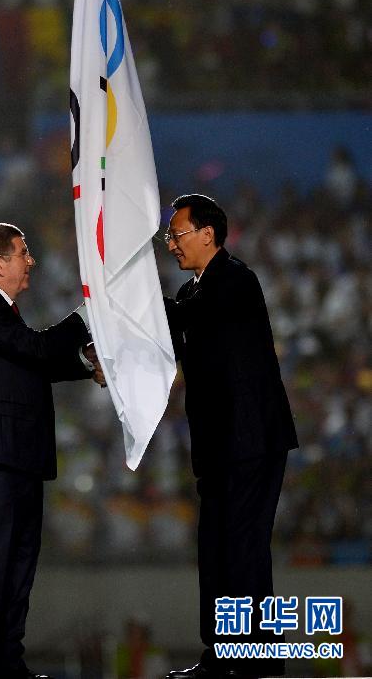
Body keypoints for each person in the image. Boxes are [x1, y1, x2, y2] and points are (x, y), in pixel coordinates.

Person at [0, 221, 103, 679]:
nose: (31, 260)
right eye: (23, 252)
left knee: (19, 564)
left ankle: (8, 662)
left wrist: (84, 362)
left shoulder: (2, 314)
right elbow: (36, 349)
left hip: (19, 456)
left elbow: (31, 364)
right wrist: (88, 313)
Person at [162, 195, 298, 679]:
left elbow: (186, 316)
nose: (171, 244)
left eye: (177, 234)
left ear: (208, 234)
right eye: (169, 236)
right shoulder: (192, 292)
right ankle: (224, 653)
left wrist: (130, 299)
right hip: (218, 445)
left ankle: (257, 658)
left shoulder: (235, 280)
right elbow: (168, 338)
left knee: (243, 547)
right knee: (218, 548)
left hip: (250, 440)